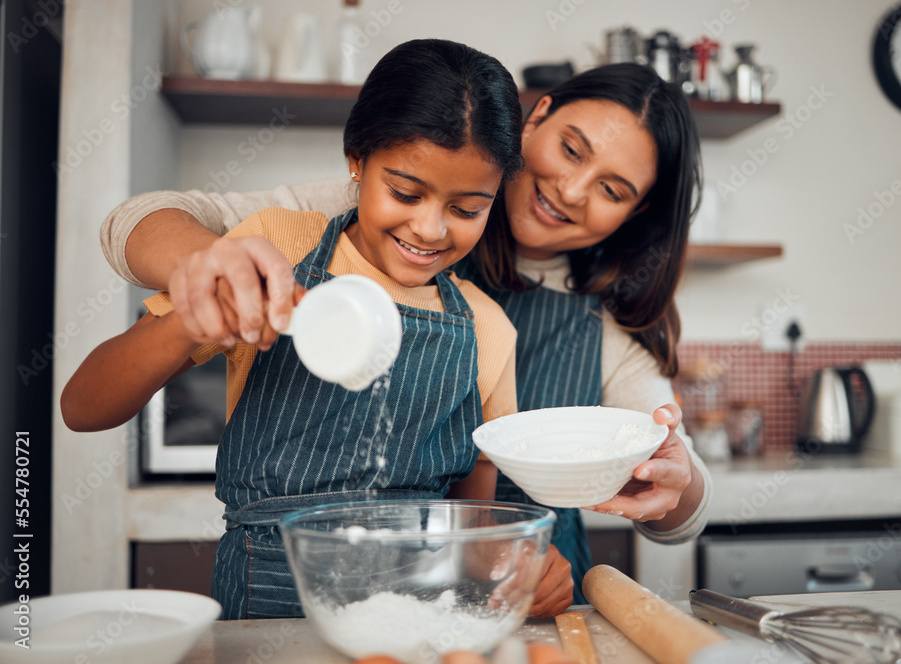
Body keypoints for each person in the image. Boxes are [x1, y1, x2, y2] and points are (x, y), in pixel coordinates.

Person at [99, 62, 713, 604]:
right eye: (572, 150)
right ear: (537, 119)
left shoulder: (585, 321)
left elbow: (679, 499)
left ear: (635, 213)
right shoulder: (359, 216)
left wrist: (673, 480)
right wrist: (214, 274)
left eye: (612, 190)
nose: (572, 191)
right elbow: (137, 222)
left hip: (510, 597)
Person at [63, 38, 579, 620]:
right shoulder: (276, 250)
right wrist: (193, 314)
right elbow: (83, 408)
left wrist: (514, 571)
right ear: (356, 159)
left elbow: (472, 531)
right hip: (265, 610)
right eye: (405, 193)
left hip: (413, 627)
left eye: (467, 209)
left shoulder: (487, 328)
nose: (431, 228)